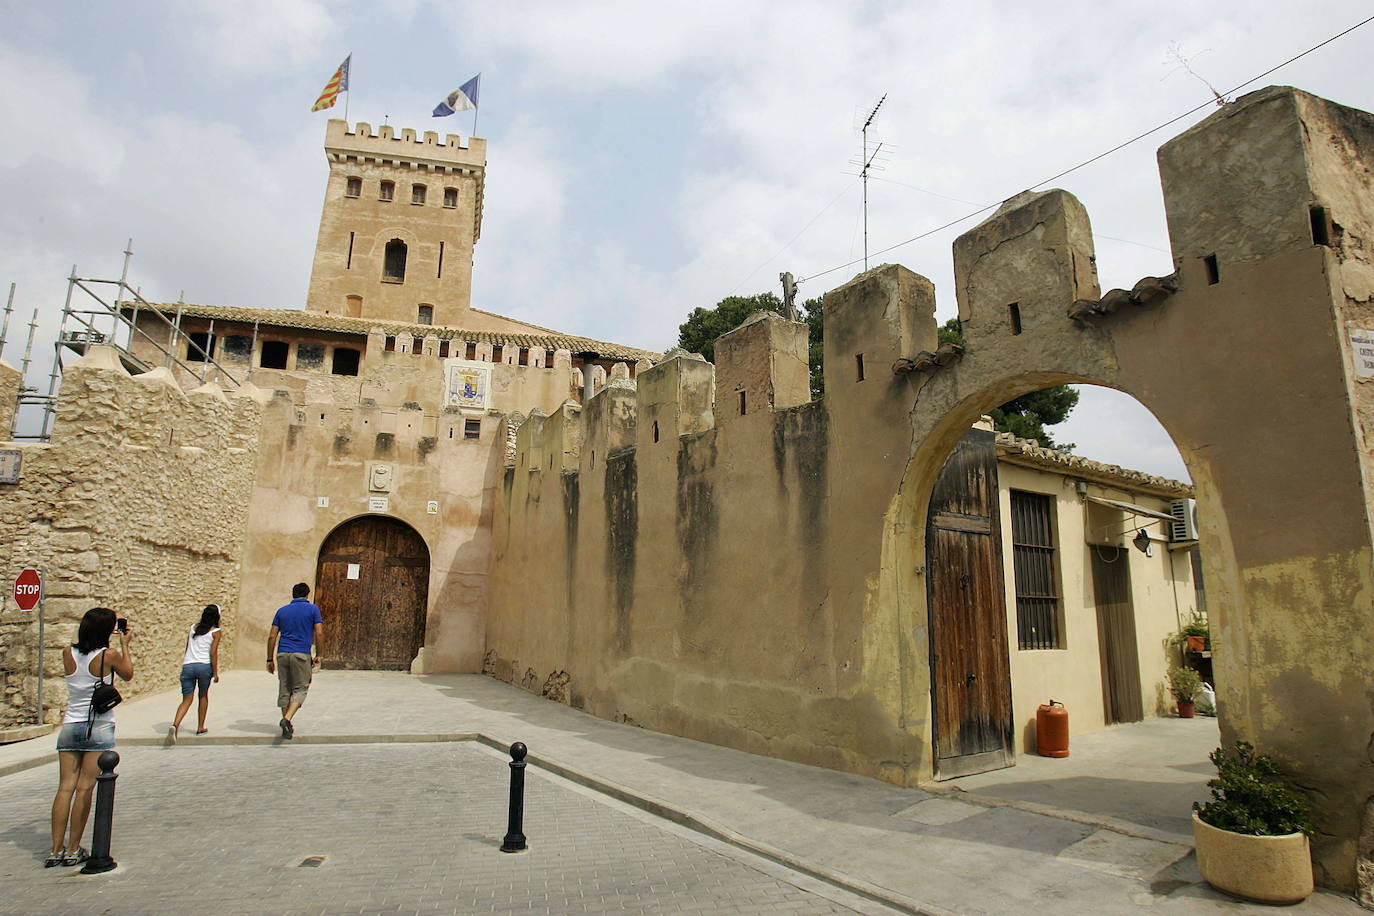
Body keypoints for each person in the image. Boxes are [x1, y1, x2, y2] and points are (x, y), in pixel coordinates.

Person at [49, 607, 134, 868]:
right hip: (98, 725)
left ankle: (55, 850)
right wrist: (125, 644)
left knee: (65, 787)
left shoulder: (68, 652)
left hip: (71, 724)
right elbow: (128, 674)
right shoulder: (109, 655)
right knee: (85, 787)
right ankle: (74, 849)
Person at [267, 583, 322, 740]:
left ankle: (287, 726)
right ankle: (287, 719)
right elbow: (319, 633)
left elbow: (272, 636)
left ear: (293, 594)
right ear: (307, 595)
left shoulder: (282, 611)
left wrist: (269, 658)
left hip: (283, 653)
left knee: (285, 688)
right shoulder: (313, 610)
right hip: (301, 653)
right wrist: (319, 654)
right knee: (301, 688)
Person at [168, 604, 221, 742]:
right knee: (203, 696)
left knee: (186, 700)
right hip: (204, 666)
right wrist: (215, 672)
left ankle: (175, 725)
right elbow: (213, 653)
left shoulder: (193, 628)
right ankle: (200, 727)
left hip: (188, 666)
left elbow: (187, 647)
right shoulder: (216, 631)